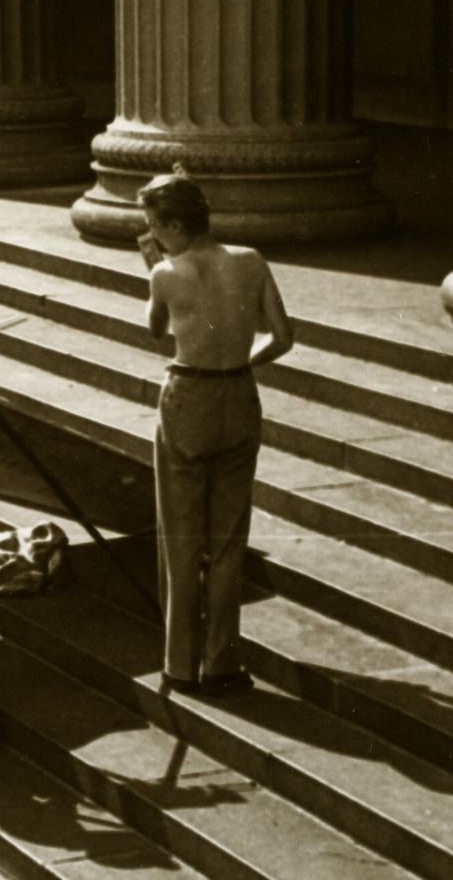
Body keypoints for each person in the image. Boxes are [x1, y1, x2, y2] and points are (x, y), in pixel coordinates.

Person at [140, 168, 293, 695]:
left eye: (155, 227)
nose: (154, 237)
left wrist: (156, 269)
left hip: (189, 395)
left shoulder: (166, 271)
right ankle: (222, 661)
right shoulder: (250, 260)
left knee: (181, 537)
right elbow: (284, 335)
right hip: (239, 393)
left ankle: (181, 665)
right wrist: (242, 359)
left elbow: (157, 331)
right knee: (229, 539)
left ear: (174, 225)